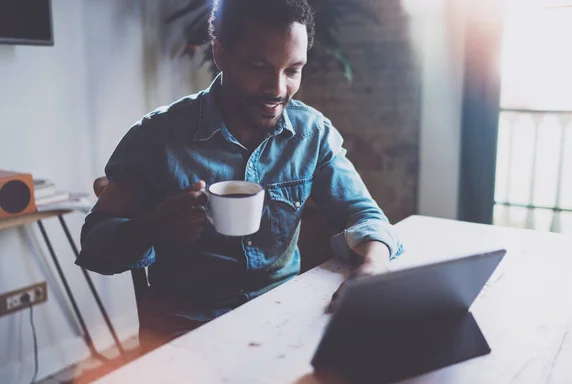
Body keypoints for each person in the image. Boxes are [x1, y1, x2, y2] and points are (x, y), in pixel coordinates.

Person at [76, 0, 403, 348]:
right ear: (220, 54)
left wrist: (373, 266)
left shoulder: (311, 135)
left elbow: (364, 214)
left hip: (282, 319)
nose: (277, 89)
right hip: (186, 336)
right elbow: (94, 247)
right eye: (258, 67)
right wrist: (151, 227)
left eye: (292, 70)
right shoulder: (157, 137)